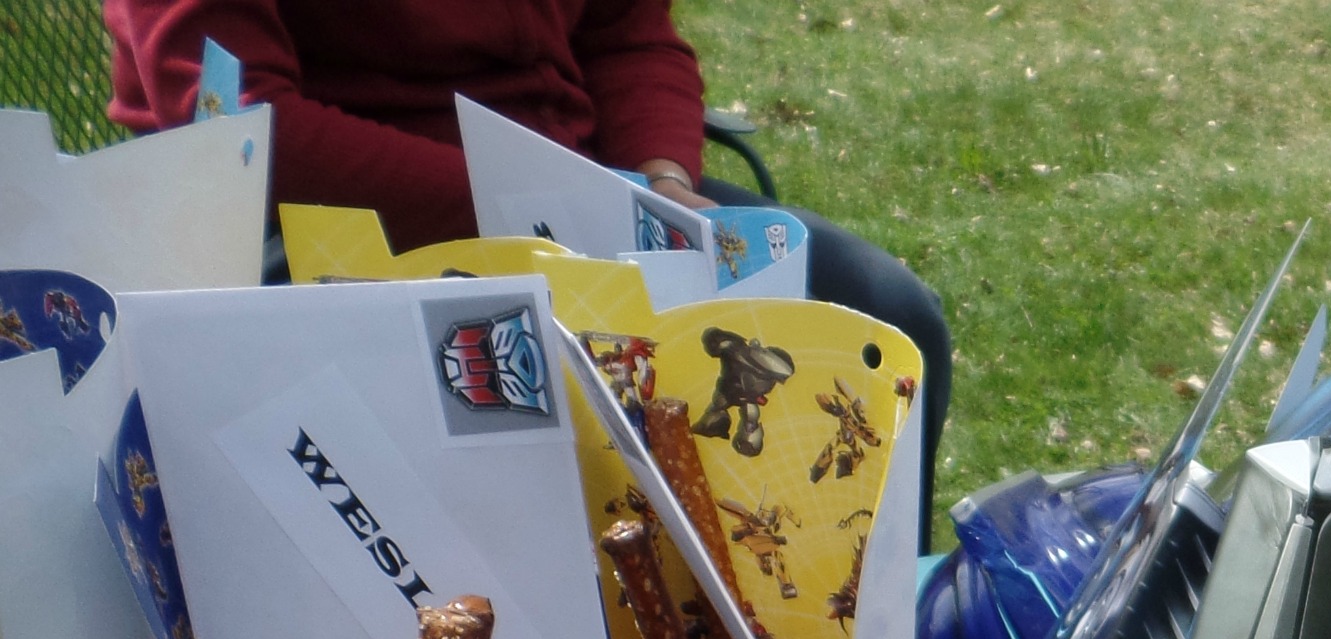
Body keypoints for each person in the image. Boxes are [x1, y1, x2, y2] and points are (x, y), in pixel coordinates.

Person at [101, 0, 951, 537]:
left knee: (882, 315)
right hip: (334, 226)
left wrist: (662, 181)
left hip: (587, 191)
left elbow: (628, 35)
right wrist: (532, 209)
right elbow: (246, 126)